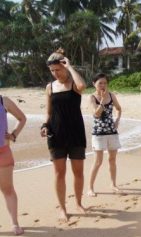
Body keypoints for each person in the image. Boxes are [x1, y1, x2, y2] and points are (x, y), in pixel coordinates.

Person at [40, 48, 87, 221]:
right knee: (59, 173)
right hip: (56, 134)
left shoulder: (74, 83)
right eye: (52, 71)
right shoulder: (50, 87)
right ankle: (62, 208)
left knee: (78, 172)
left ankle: (79, 203)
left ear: (65, 66)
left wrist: (71, 68)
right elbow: (49, 112)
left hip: (75, 133)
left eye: (58, 69)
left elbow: (82, 87)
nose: (55, 73)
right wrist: (45, 125)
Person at [87, 73, 122, 197]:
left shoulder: (112, 95)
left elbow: (119, 108)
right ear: (94, 84)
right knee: (98, 161)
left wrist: (117, 120)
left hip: (112, 132)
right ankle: (90, 188)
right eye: (100, 83)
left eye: (105, 83)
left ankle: (113, 184)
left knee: (112, 160)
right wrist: (101, 100)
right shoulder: (92, 97)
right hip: (99, 133)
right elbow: (96, 114)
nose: (103, 85)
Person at [0, 95, 26, 235]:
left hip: (3, 153)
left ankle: (15, 224)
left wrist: (14, 135)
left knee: (7, 189)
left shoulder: (4, 101)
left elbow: (22, 118)